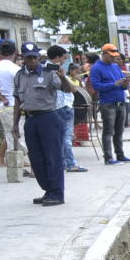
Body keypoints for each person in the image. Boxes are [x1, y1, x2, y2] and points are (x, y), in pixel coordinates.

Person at [11, 42, 71, 206]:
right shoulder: (19, 75)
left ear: (38, 56)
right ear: (22, 57)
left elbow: (69, 89)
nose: (32, 60)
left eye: (34, 57)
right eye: (28, 57)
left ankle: (57, 193)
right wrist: (15, 123)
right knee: (36, 159)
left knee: (53, 157)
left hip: (48, 118)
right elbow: (17, 100)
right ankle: (48, 190)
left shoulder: (49, 72)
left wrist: (63, 76)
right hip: (30, 119)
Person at [89, 42, 130, 166]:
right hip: (108, 104)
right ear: (103, 54)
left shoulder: (115, 67)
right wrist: (114, 84)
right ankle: (108, 158)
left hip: (120, 102)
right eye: (111, 55)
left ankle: (120, 155)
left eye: (115, 56)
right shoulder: (96, 68)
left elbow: (122, 85)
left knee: (119, 131)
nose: (114, 58)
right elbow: (96, 86)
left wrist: (125, 84)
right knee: (108, 131)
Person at [48, 46, 88, 174]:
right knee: (66, 137)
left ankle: (63, 162)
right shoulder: (56, 71)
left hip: (54, 107)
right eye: (64, 57)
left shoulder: (44, 69)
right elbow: (72, 89)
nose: (65, 60)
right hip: (63, 105)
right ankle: (70, 163)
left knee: (60, 137)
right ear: (58, 57)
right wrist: (64, 77)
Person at [0, 40, 23, 170]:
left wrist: (2, 97)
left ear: (0, 52)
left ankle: (14, 164)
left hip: (5, 106)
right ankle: (24, 164)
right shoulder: (15, 69)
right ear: (15, 53)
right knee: (19, 135)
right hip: (15, 107)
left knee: (10, 135)